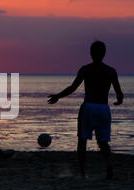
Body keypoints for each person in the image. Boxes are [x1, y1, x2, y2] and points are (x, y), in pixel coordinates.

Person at [47, 41, 123, 179]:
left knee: (82, 140)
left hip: (89, 107)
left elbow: (73, 87)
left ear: (91, 53)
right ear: (104, 53)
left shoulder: (86, 69)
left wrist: (58, 96)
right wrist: (119, 101)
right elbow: (119, 93)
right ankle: (108, 165)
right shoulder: (111, 71)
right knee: (103, 142)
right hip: (103, 109)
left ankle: (82, 173)